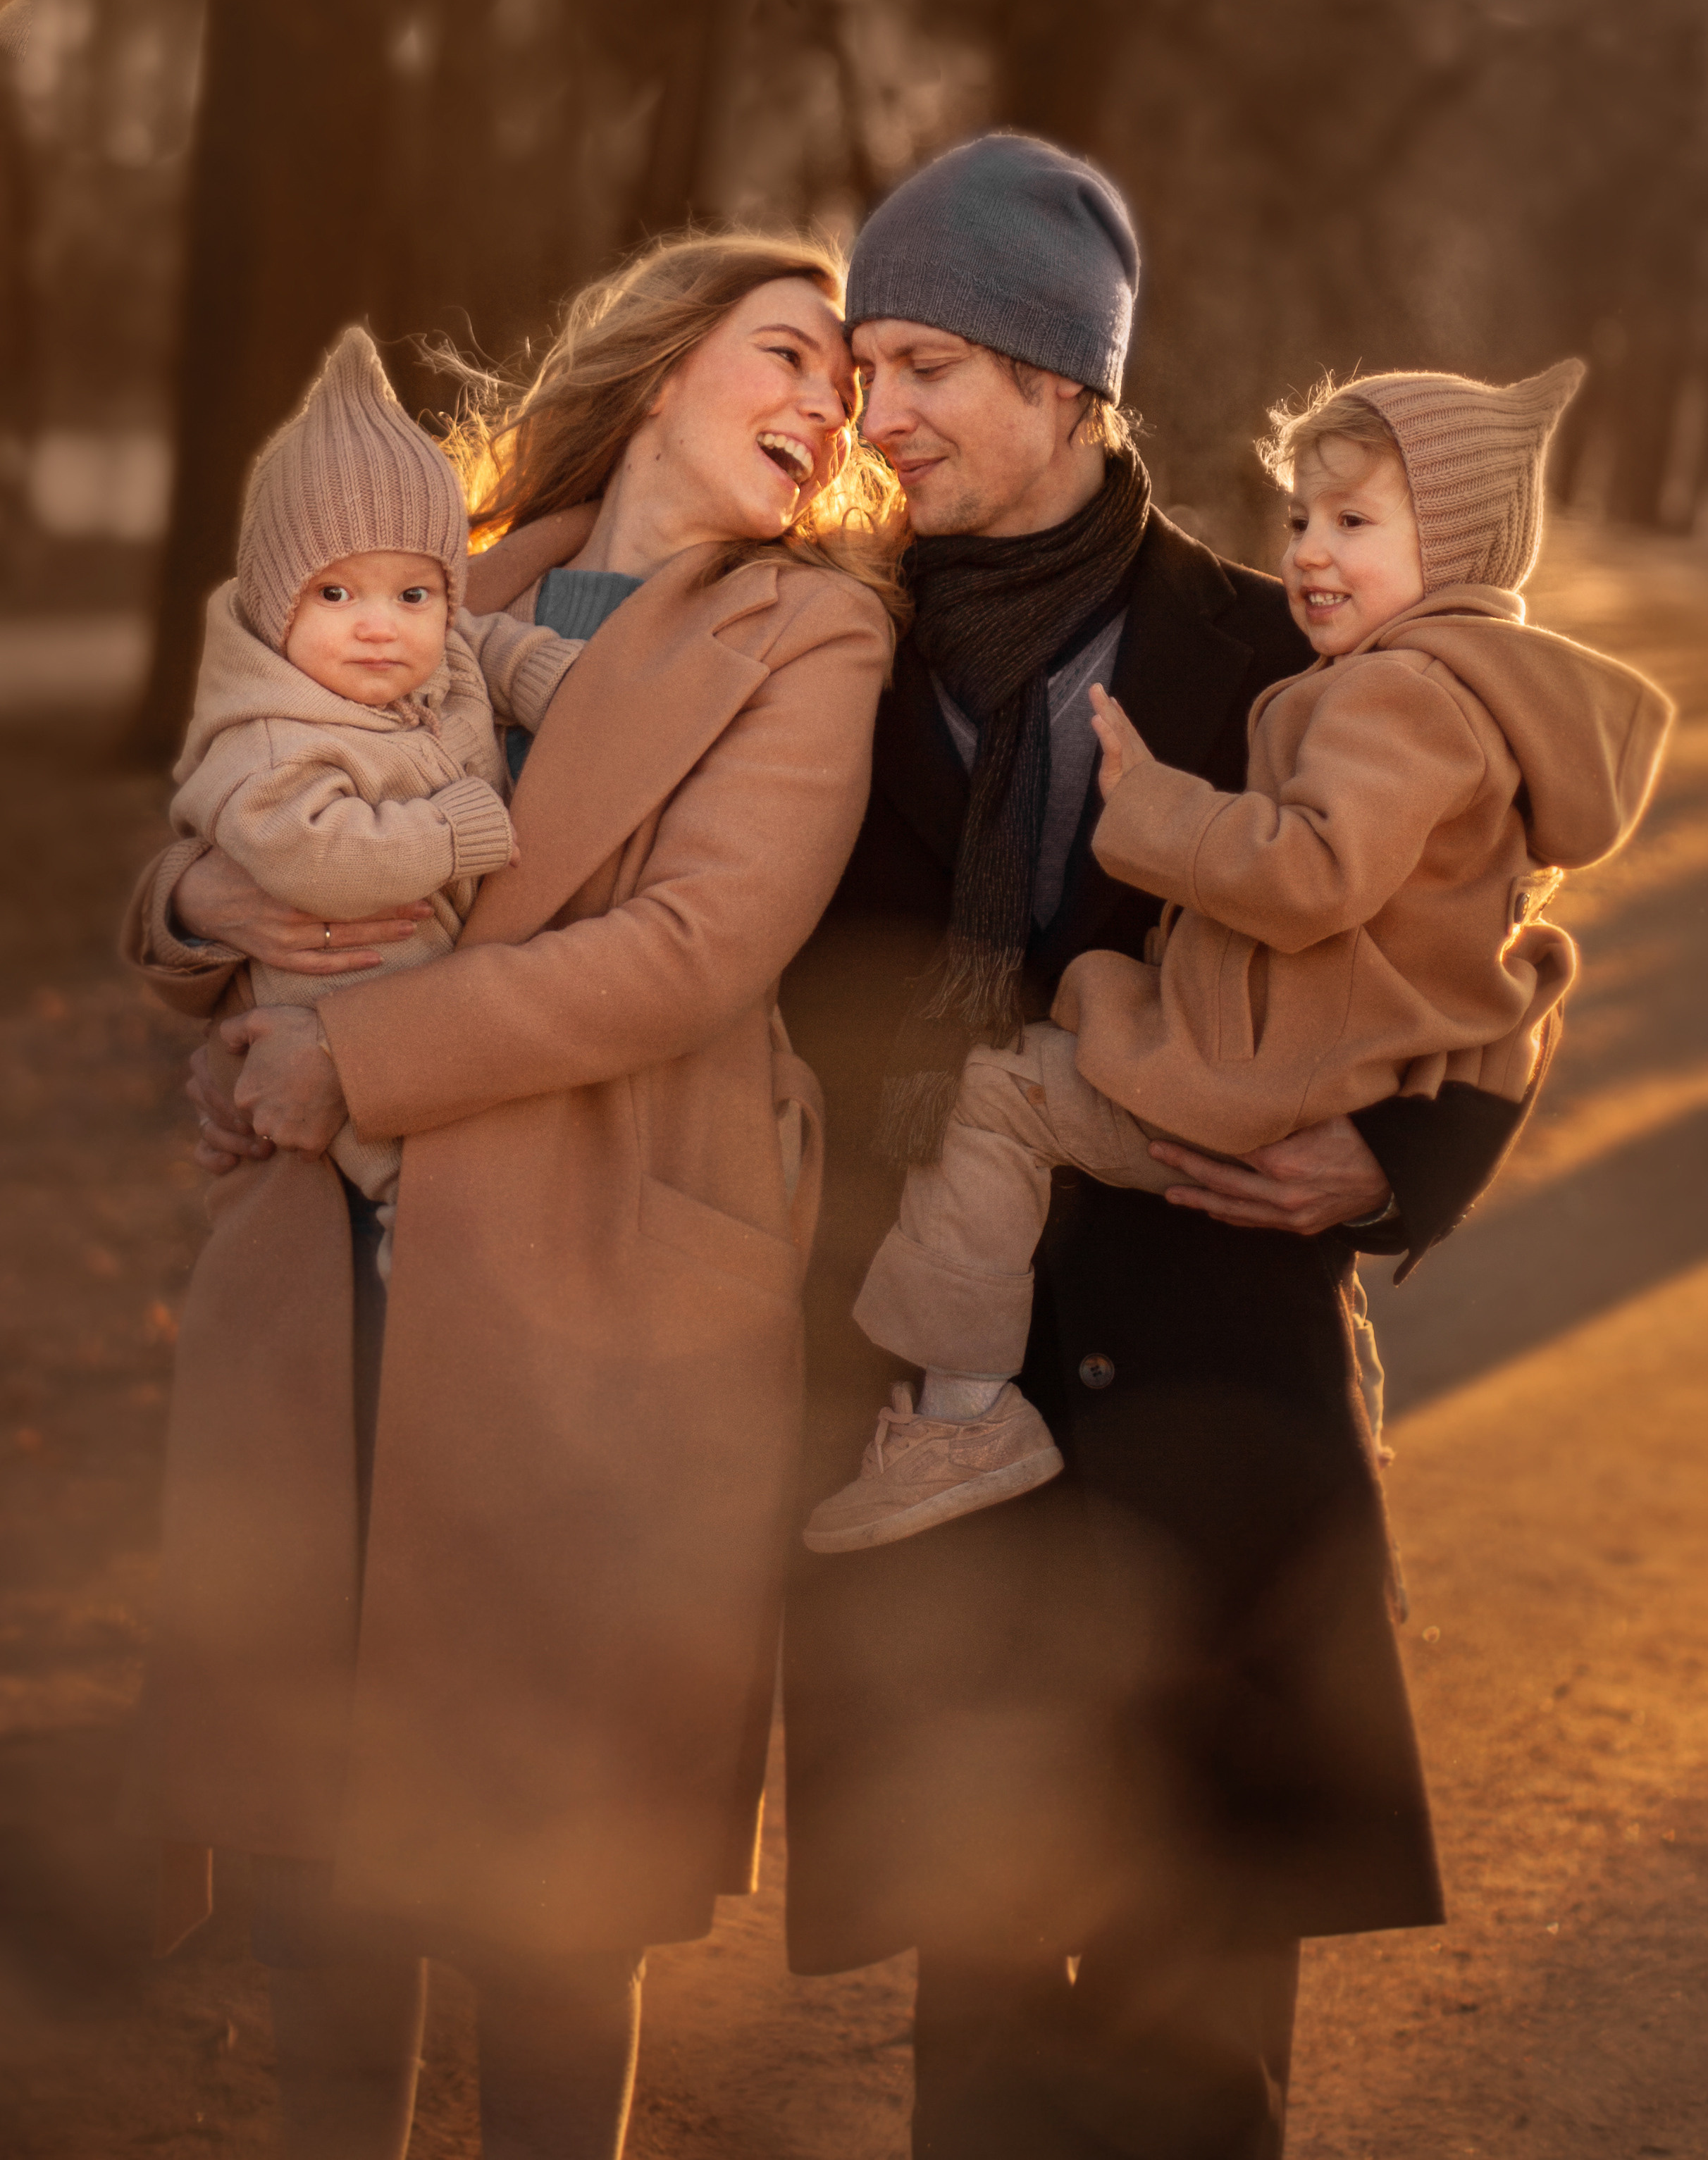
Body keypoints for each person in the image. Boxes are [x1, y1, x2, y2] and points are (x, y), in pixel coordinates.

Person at [776, 132, 1574, 2160]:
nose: (880, 414)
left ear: (1065, 379)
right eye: (865, 368)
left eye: (927, 366)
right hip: (942, 1414)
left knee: (1202, 2040)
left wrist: (1399, 1171)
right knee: (976, 2038)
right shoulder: (825, 649)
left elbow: (1492, 934)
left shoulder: (1280, 648)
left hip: (1214, 1401)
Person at [123, 232, 903, 2160]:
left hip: (600, 1282)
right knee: (320, 1852)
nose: (824, 408)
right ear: (663, 365)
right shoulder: (442, 573)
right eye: (787, 355)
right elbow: (239, 785)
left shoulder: (811, 636)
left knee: (557, 1887)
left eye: (845, 391)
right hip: (335, 1274)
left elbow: (694, 945)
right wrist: (200, 910)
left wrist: (355, 1054)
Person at [803, 358, 1672, 1551]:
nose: (1310, 551)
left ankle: (958, 1414)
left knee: (999, 1089)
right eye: (1303, 519)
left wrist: (1402, 1158)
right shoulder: (1414, 683)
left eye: (1355, 523)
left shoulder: (1370, 684)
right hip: (1238, 1074)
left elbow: (1370, 899)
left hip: (1233, 1230)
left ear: (1058, 375)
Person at [169, 323, 586, 1283]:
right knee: (403, 1142)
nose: (378, 626)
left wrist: (554, 676)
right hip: (338, 979)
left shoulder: (438, 650)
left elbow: (485, 644)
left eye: (412, 594)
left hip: (438, 981)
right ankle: (410, 1226)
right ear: (276, 603)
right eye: (336, 594)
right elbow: (317, 855)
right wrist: (453, 831)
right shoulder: (269, 734)